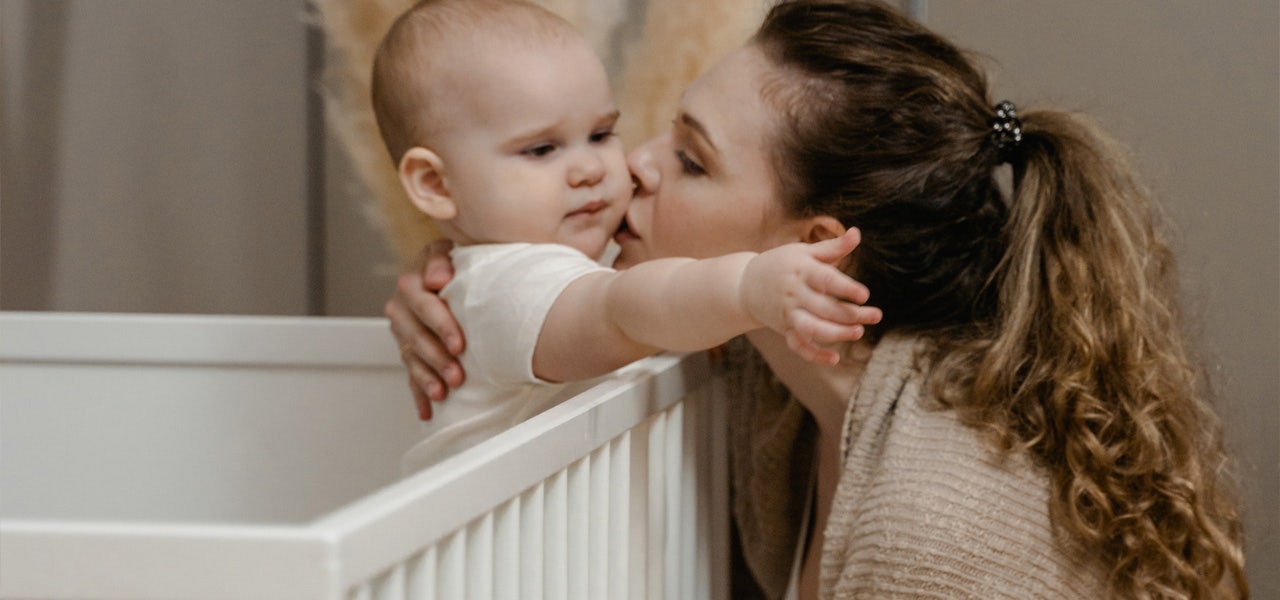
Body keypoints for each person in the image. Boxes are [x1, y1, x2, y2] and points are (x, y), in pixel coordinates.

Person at [386, 0, 1248, 597]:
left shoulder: (934, 523)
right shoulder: (773, 377)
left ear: (809, 253)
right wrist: (467, 268)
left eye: (691, 159)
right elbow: (600, 309)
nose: (631, 166)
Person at [371, 0, 881, 471]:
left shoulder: (587, 260)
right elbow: (623, 308)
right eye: (542, 149)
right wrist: (746, 286)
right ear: (436, 185)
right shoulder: (502, 288)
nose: (592, 168)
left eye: (599, 134)